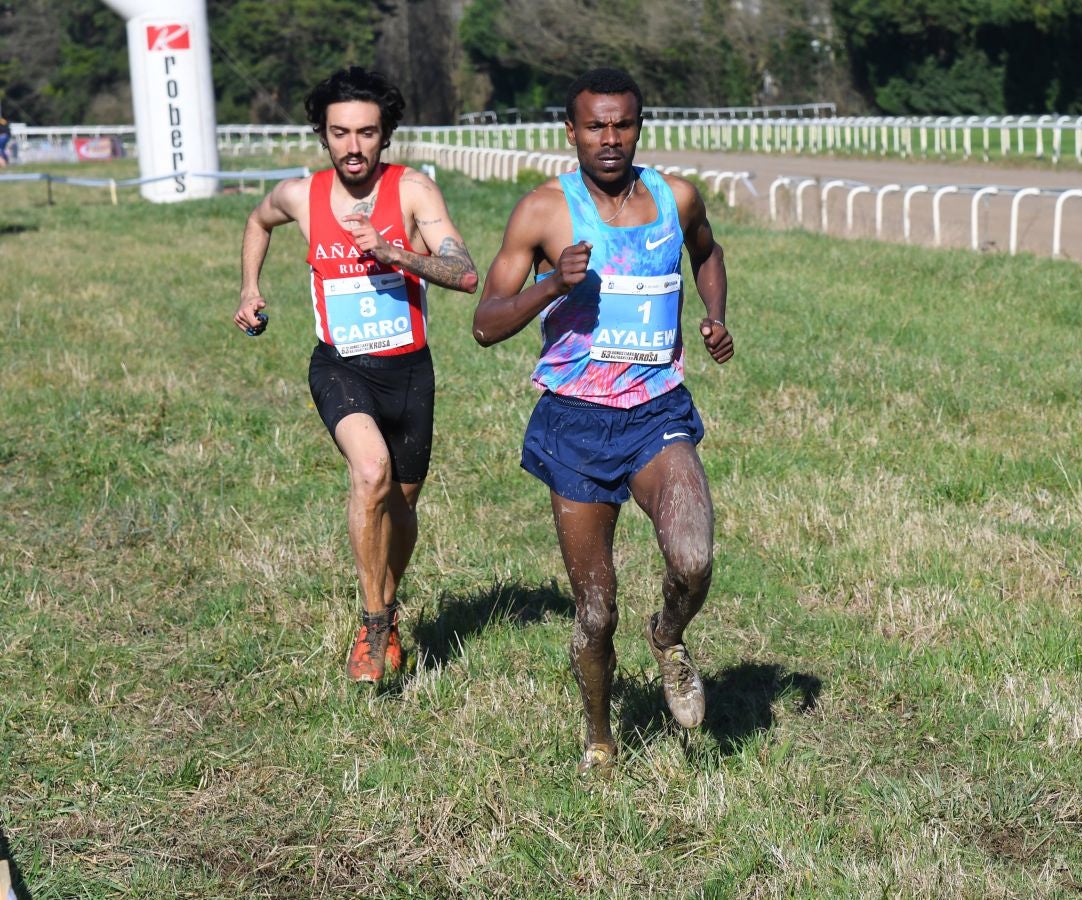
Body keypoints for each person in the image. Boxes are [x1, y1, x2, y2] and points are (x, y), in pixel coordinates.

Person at [473, 67, 734, 774]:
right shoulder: (542, 213)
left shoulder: (675, 198)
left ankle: (669, 637)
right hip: (577, 422)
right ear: (572, 130)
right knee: (595, 610)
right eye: (596, 126)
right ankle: (599, 738)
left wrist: (714, 316)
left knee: (694, 556)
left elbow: (707, 255)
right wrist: (551, 285)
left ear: (639, 126)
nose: (610, 138)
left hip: (656, 412)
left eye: (622, 124)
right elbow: (485, 324)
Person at [233, 67, 479, 682]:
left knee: (400, 508)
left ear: (384, 134)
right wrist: (250, 288)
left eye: (366, 133)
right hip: (340, 366)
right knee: (370, 473)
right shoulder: (300, 195)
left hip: (409, 373)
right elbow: (258, 221)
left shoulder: (414, 191)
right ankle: (372, 627)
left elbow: (465, 272)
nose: (353, 146)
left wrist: (393, 251)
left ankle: (387, 611)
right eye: (340, 132)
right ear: (323, 134)